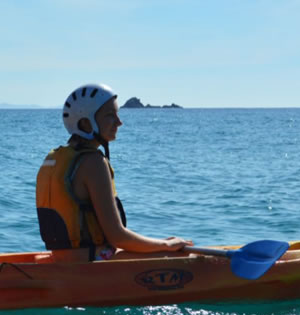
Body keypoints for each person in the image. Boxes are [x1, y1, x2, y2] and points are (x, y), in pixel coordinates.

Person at [35, 83, 192, 262]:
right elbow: (117, 237)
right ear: (86, 123)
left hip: (61, 260)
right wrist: (166, 245)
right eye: (110, 115)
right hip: (91, 264)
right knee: (177, 255)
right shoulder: (93, 162)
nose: (119, 122)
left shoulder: (56, 159)